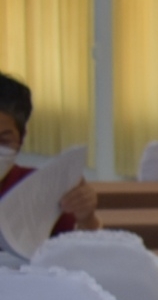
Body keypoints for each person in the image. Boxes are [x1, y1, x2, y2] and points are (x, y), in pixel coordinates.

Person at [0, 73, 99, 233]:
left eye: (4, 141)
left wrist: (86, 218)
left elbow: (82, 243)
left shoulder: (38, 187)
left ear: (21, 139)